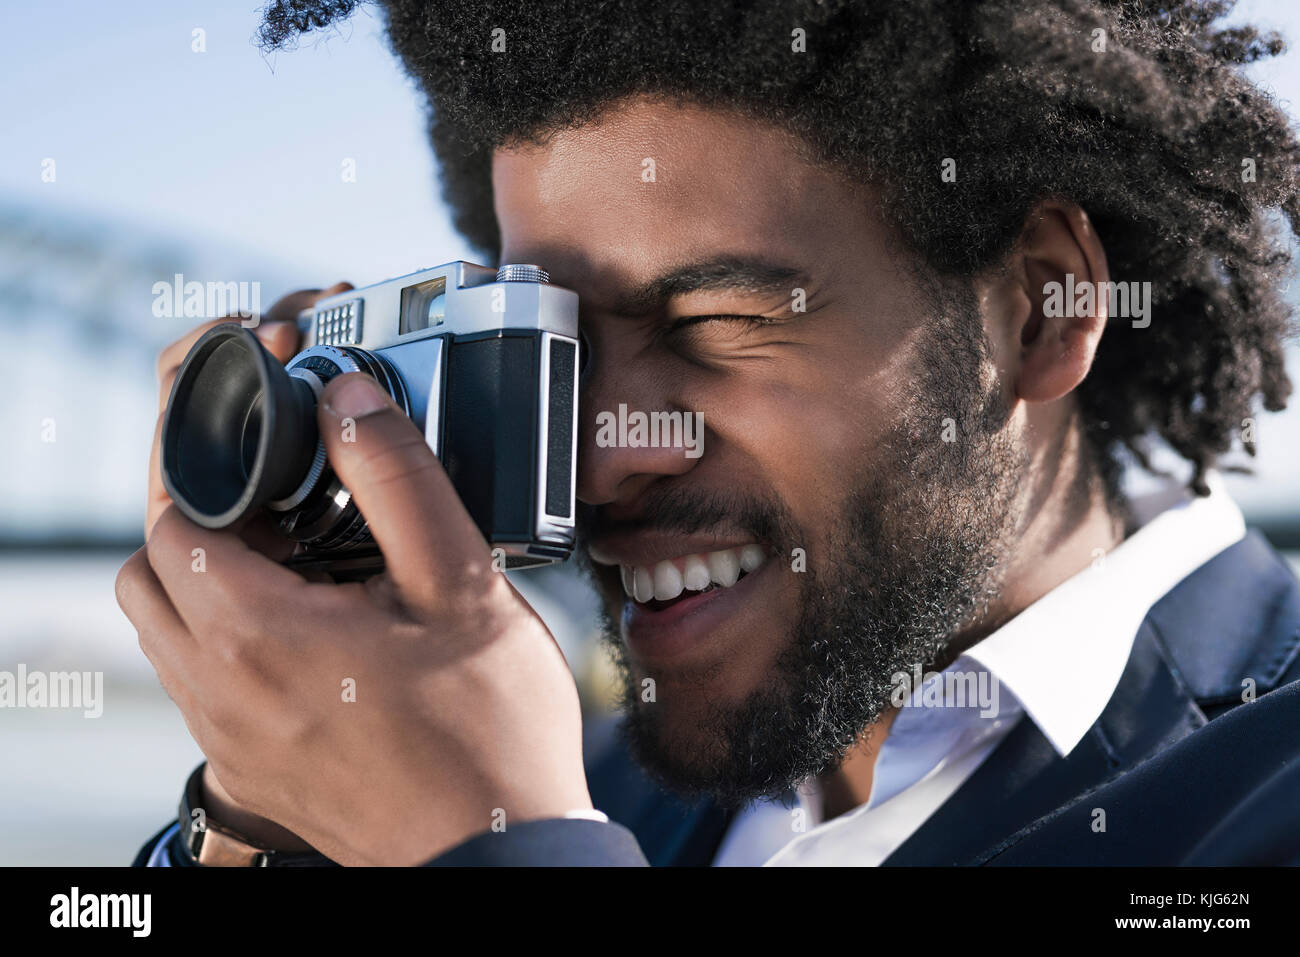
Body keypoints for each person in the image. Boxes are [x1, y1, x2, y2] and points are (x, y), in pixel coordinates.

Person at [122, 0, 1300, 867]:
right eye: (554, 349)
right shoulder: (573, 782)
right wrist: (262, 818)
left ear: (1041, 304)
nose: (595, 455)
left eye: (714, 322)